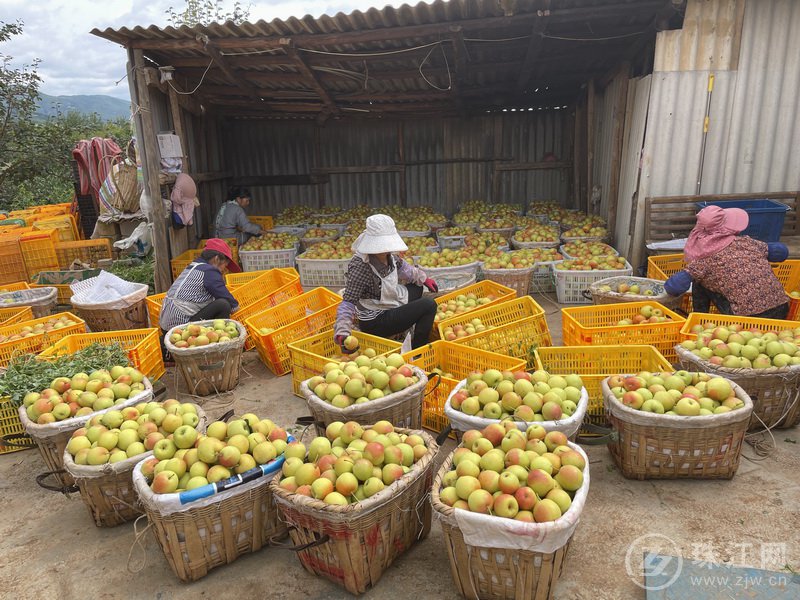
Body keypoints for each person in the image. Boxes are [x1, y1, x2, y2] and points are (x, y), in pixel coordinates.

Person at [334, 214, 439, 352]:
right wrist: (342, 332)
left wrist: (424, 279)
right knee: (429, 305)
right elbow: (348, 302)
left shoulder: (388, 256)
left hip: (388, 304)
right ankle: (418, 351)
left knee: (417, 288)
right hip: (376, 321)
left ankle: (404, 324)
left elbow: (405, 269)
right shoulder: (361, 267)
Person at [664, 205, 790, 318]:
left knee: (699, 280)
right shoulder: (746, 242)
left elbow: (674, 286)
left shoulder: (703, 261)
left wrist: (670, 291)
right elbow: (780, 252)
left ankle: (699, 319)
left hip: (746, 319)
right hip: (782, 308)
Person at [160, 238, 241, 332]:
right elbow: (229, 301)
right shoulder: (209, 271)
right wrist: (237, 309)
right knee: (223, 304)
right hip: (179, 327)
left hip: (166, 325)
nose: (224, 269)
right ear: (217, 259)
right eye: (224, 265)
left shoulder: (195, 266)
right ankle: (221, 334)